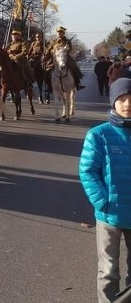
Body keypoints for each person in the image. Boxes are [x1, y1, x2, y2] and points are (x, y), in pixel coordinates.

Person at [79, 77, 131, 303]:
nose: (128, 103)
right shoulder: (98, 135)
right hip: (109, 214)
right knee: (109, 270)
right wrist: (102, 201)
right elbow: (88, 171)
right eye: (122, 99)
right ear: (113, 102)